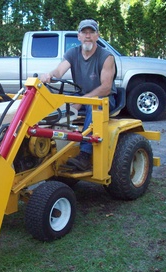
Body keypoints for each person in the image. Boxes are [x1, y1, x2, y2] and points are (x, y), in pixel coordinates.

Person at [40, 19, 117, 171]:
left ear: (97, 36)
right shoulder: (72, 53)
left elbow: (106, 88)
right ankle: (51, 149)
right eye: (84, 32)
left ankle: (85, 155)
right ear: (79, 36)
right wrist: (49, 75)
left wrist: (82, 100)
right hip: (81, 97)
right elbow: (59, 71)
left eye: (91, 32)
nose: (88, 36)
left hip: (105, 99)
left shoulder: (107, 57)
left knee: (93, 109)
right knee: (56, 110)